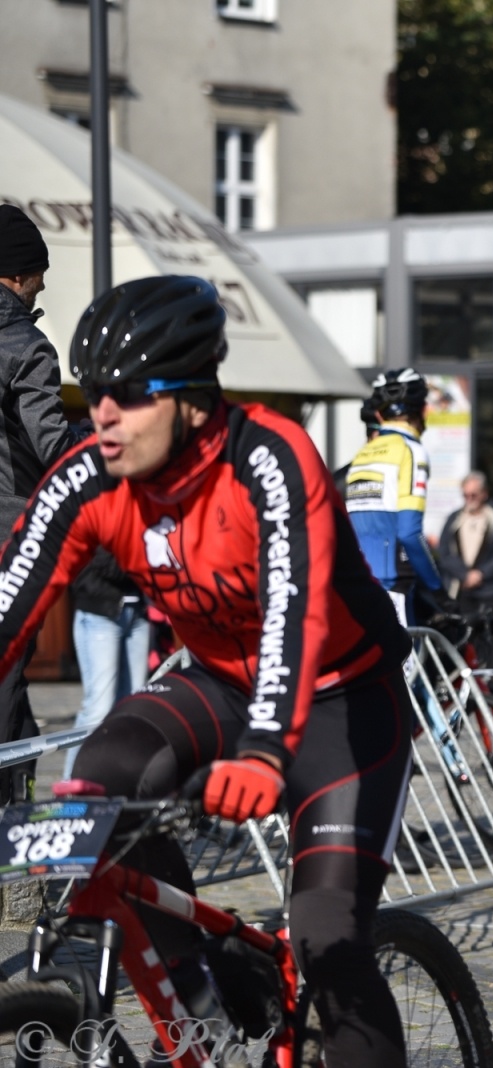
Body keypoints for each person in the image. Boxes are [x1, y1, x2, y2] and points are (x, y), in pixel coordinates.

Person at [0, 276, 414, 1068]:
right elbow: (10, 604)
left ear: (191, 400)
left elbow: (297, 614)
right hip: (223, 679)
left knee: (328, 935)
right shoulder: (95, 475)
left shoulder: (270, 458)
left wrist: (263, 751)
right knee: (103, 774)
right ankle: (206, 1015)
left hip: (341, 698)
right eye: (92, 392)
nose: (101, 414)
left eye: (126, 395)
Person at [0, 203, 74, 801]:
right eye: (38, 273)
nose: (42, 285)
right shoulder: (24, 343)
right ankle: (11, 825)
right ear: (17, 274)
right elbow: (52, 441)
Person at [344, 369, 448, 623]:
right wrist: (438, 590)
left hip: (359, 587)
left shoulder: (362, 456)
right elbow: (409, 533)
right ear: (423, 411)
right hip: (394, 588)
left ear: (379, 414)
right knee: (405, 662)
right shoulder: (411, 451)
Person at [62, 549, 149, 780]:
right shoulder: (103, 516)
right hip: (99, 612)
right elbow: (100, 559)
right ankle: (70, 790)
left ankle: (118, 784)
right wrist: (143, 559)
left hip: (138, 612)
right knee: (98, 708)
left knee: (132, 707)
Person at [436, 471, 493, 666]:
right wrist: (464, 575)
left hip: (488, 589)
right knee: (463, 636)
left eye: (474, 494)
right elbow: (444, 552)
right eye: (466, 495)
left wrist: (481, 574)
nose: (469, 499)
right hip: (461, 589)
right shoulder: (454, 519)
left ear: (484, 493)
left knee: (490, 635)